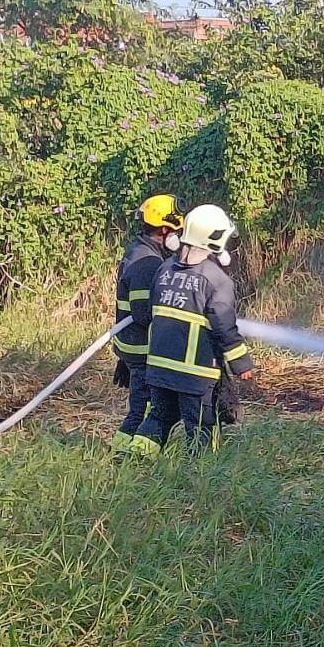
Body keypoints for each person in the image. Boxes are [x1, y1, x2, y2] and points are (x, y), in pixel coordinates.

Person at [118, 204, 256, 460]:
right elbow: (224, 326)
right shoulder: (217, 280)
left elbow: (149, 312)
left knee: (158, 417)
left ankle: (134, 460)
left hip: (158, 369)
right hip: (195, 374)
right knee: (201, 424)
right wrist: (241, 363)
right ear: (215, 238)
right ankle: (201, 472)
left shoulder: (163, 269)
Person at [110, 194, 184, 453]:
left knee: (143, 405)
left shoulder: (140, 251)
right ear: (165, 230)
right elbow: (142, 313)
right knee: (142, 408)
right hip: (140, 349)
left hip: (132, 345)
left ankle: (124, 449)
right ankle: (127, 453)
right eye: (177, 231)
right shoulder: (147, 262)